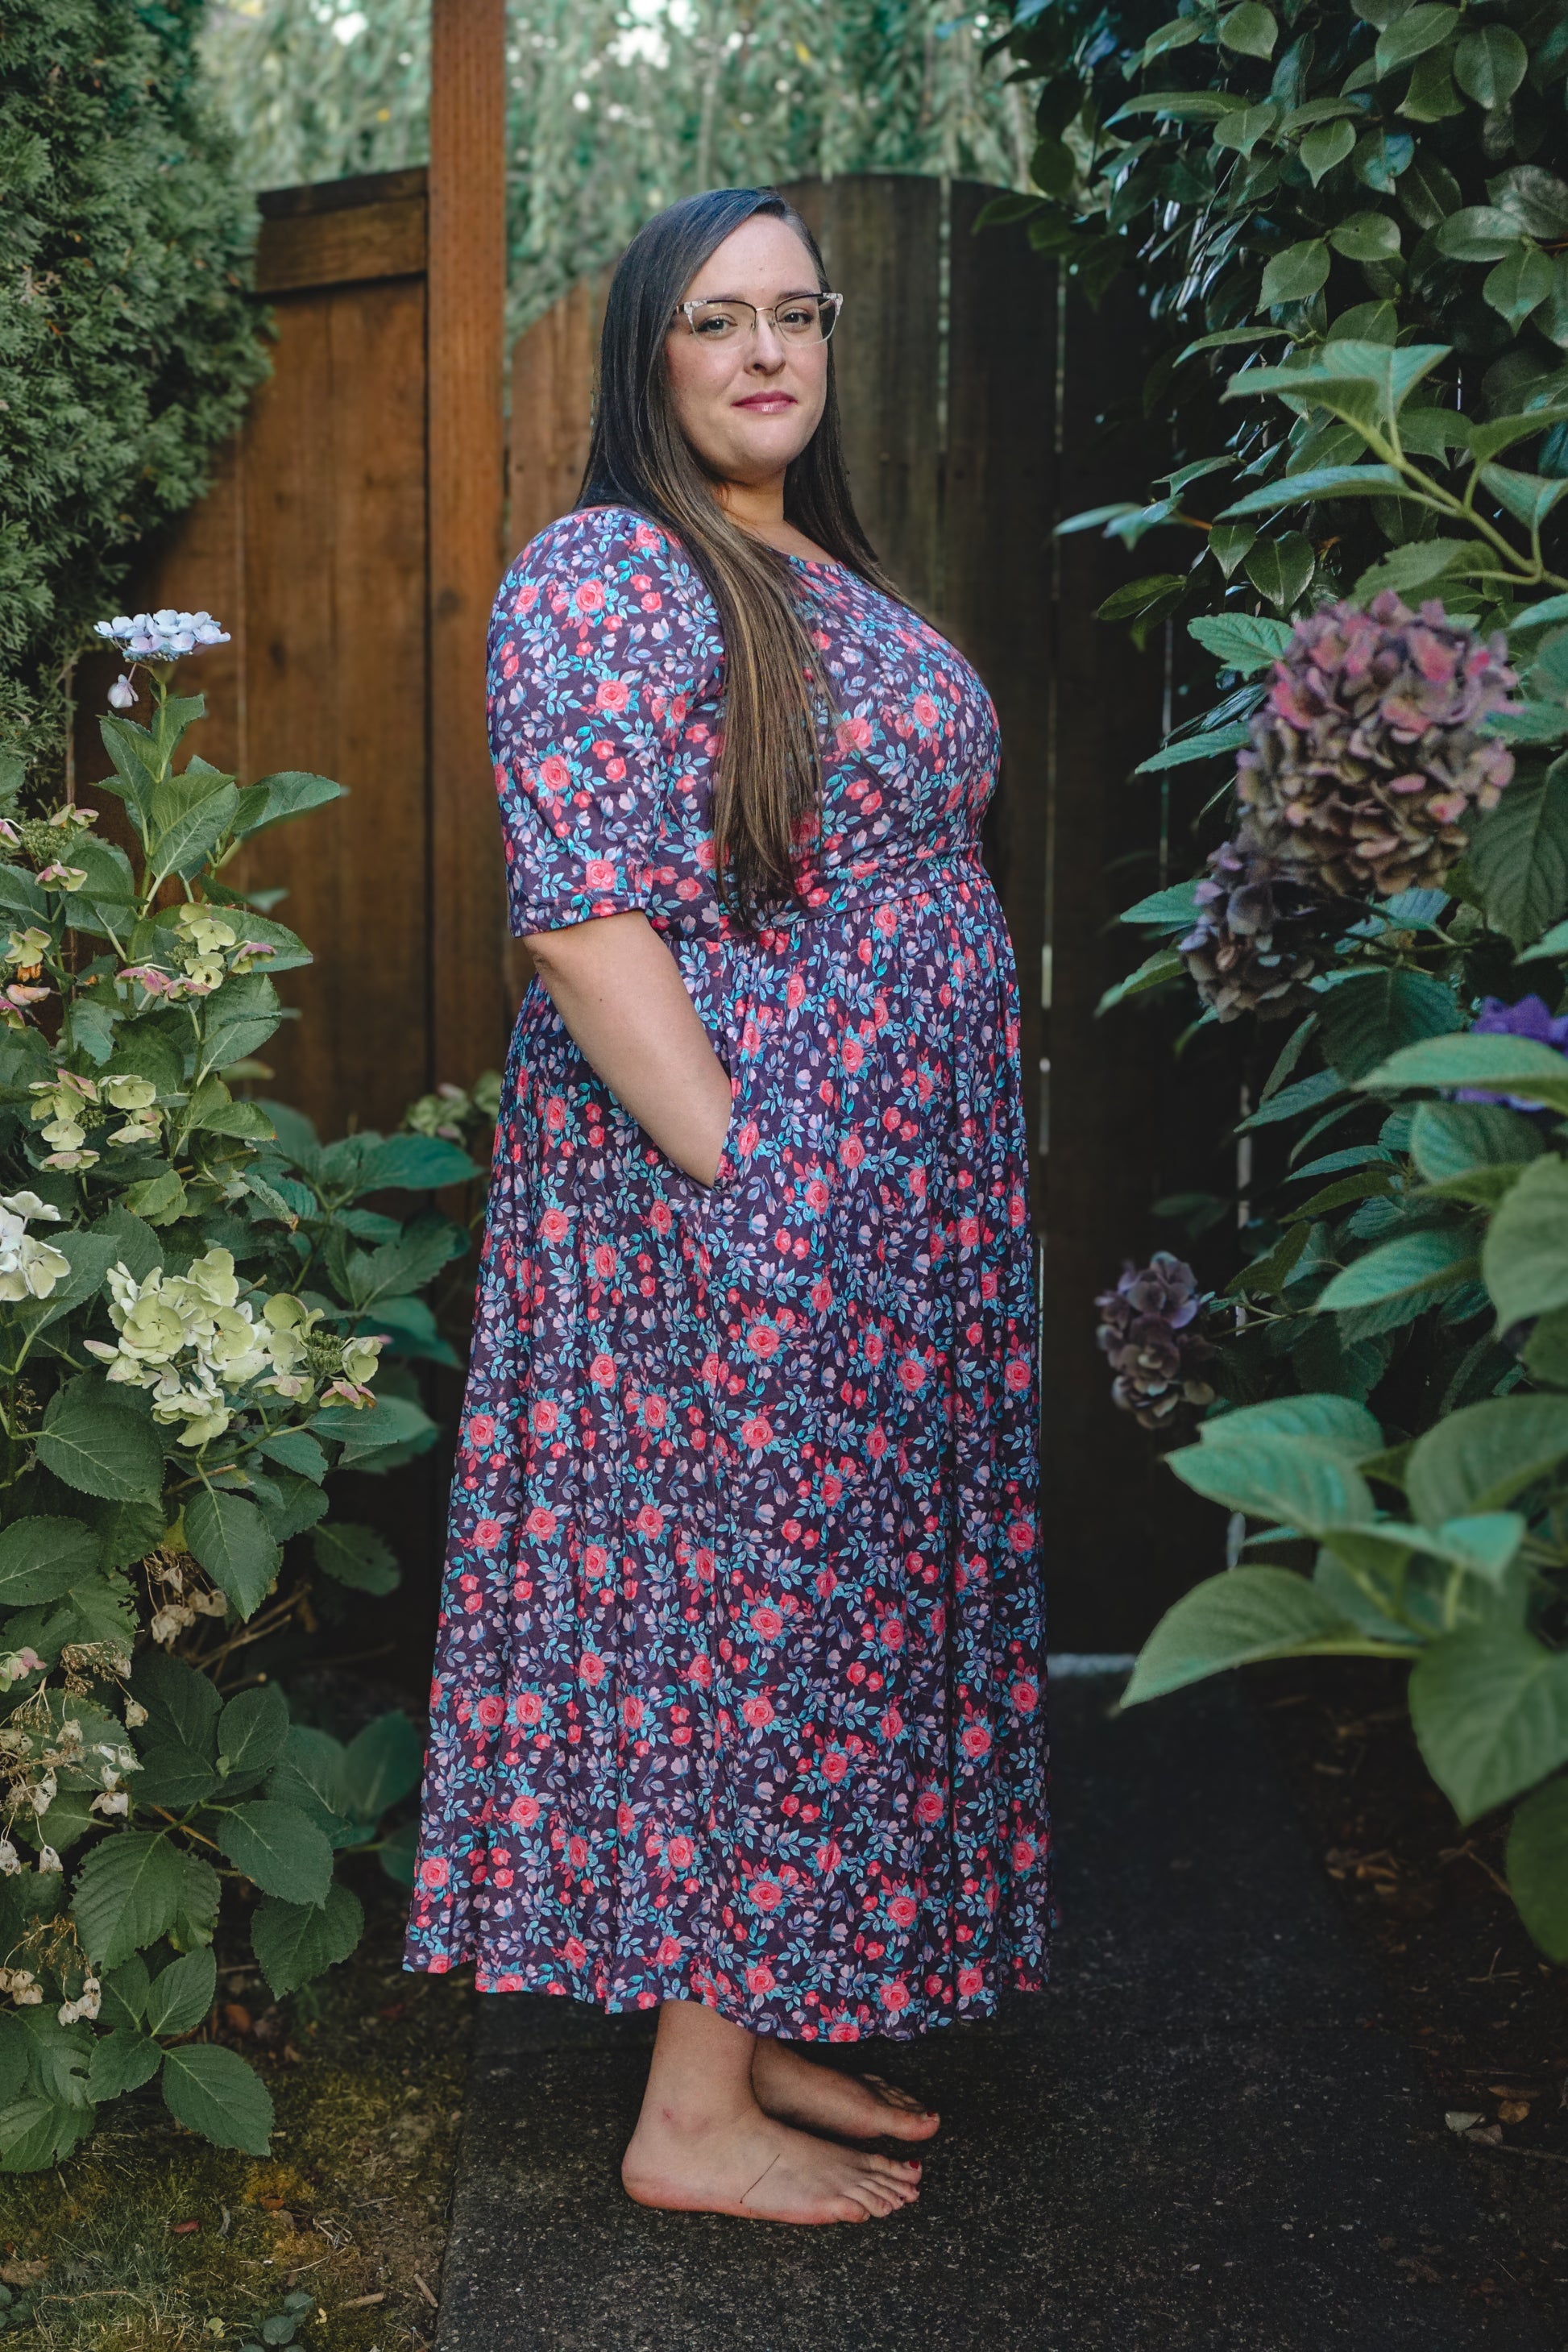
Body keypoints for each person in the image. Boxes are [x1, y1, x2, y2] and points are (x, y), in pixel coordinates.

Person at [405, 185, 1051, 2226]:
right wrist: (766, 1183)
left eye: (798, 315)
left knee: (837, 1602)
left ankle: (758, 2009)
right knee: (751, 1615)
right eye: (716, 320)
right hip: (745, 1196)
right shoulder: (609, 568)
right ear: (647, 359)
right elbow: (587, 923)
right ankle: (686, 2114)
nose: (767, 351)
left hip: (877, 1199)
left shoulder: (803, 563)